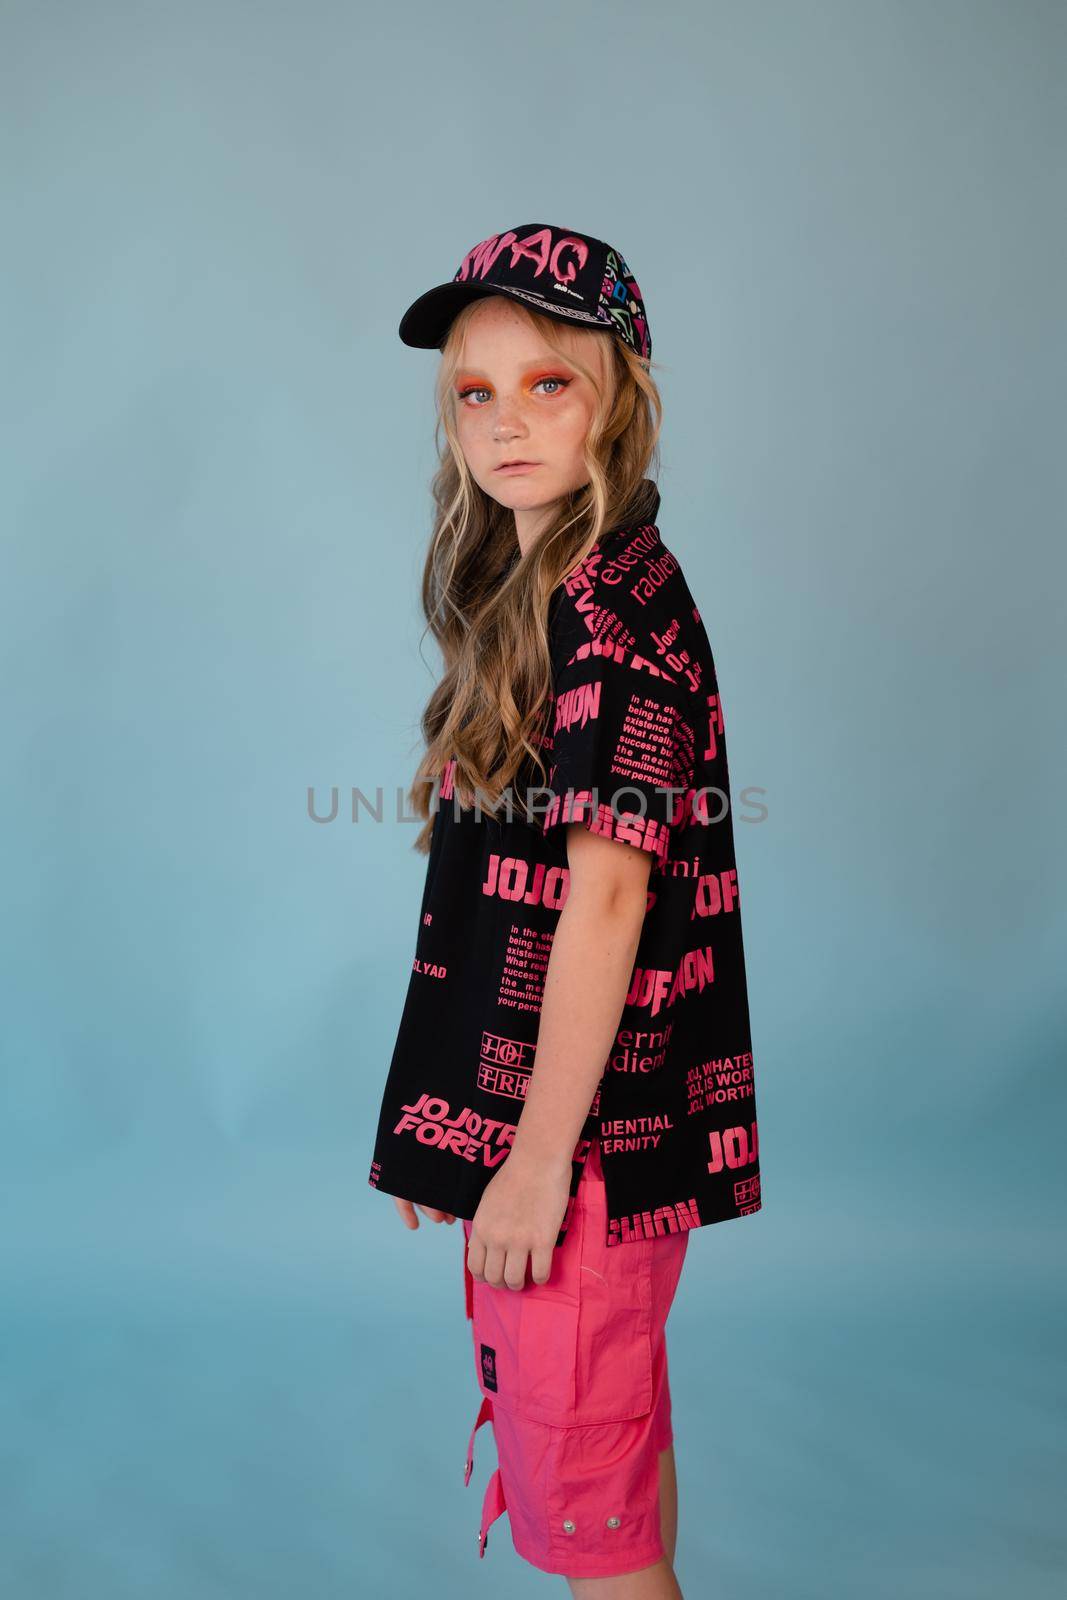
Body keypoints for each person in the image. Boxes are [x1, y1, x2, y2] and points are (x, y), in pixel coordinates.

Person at [367, 224, 763, 1597]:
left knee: (588, 1513)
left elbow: (603, 902)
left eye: (550, 383)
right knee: (613, 1463)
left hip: (587, 1145)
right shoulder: (567, 597)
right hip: (581, 1126)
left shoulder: (611, 623)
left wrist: (532, 1162)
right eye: (475, 392)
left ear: (619, 396)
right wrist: (454, 1122)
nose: (506, 420)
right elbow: (513, 904)